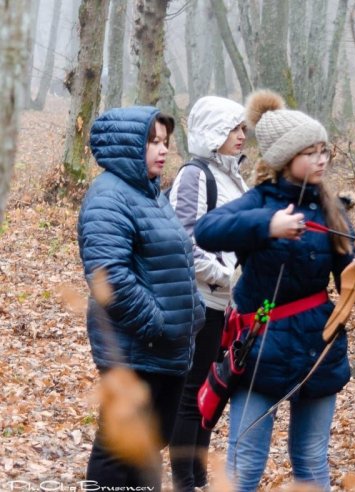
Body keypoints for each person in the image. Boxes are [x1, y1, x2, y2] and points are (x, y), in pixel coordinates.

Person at [194, 89, 355, 492]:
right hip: (260, 350)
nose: (321, 160)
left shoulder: (330, 209)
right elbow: (206, 231)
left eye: (324, 151)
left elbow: (354, 286)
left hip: (318, 345)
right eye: (311, 152)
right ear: (285, 158)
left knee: (311, 463)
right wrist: (269, 225)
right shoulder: (258, 202)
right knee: (244, 465)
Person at [78, 107, 205, 489]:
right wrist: (159, 323)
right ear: (128, 144)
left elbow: (177, 261)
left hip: (166, 350)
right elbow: (109, 276)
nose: (162, 150)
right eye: (152, 142)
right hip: (135, 349)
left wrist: (192, 315)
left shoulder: (150, 194)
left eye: (165, 142)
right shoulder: (108, 197)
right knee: (119, 451)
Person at [168, 96, 249, 492]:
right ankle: (184, 480)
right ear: (214, 132)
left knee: (211, 390)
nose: (241, 136)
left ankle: (198, 476)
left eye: (242, 128)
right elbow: (184, 239)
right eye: (234, 128)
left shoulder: (236, 177)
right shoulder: (194, 175)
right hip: (200, 302)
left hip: (228, 305)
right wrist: (223, 277)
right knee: (191, 390)